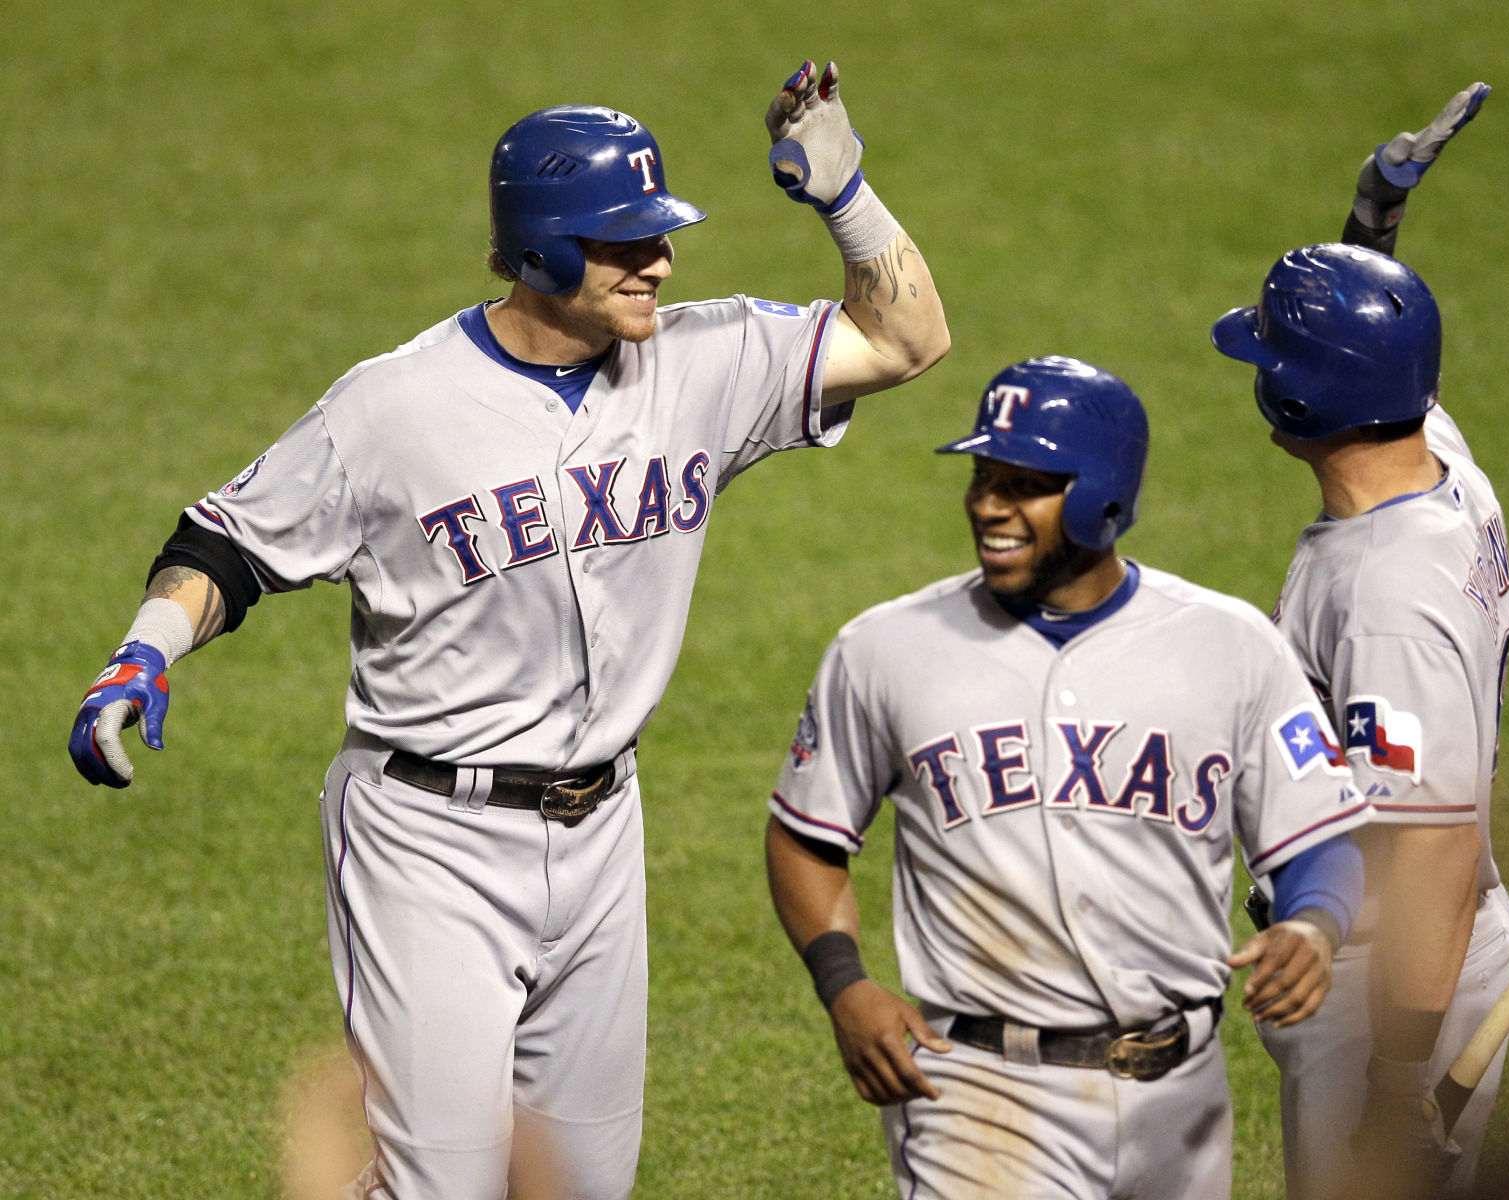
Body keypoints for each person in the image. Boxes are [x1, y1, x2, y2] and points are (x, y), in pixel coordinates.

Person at [68, 60, 948, 1200]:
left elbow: (908, 342)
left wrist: (846, 193)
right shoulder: (393, 407)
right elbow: (223, 545)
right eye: (626, 244)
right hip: (427, 839)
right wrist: (145, 651)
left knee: (585, 1184)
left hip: (603, 833)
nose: (662, 263)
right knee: (442, 1185)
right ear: (540, 255)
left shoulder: (703, 362)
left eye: (660, 237)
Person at [764, 356, 1374, 1199]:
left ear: (1102, 495)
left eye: (1025, 485)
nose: (988, 506)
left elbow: (1318, 836)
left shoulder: (1228, 646)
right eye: (983, 478)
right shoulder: (884, 650)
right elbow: (805, 835)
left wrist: (1313, 928)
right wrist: (845, 985)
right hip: (981, 1098)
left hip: (1180, 1097)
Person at [1210, 84, 1509, 1199]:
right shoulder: (1437, 461)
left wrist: (1395, 1074)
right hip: (1411, 951)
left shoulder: (1389, 596)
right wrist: (1372, 220)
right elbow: (1377, 359)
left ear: (1294, 404)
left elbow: (1427, 841)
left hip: (1395, 982)